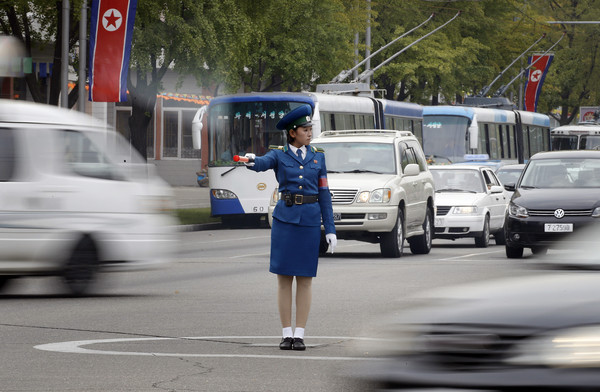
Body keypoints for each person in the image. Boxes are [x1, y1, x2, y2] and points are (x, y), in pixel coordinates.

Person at [242, 104, 337, 351]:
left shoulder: (319, 156)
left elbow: (325, 193)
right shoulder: (279, 155)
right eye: (305, 129)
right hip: (285, 222)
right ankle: (286, 334)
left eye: (310, 129)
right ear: (293, 132)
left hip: (308, 222)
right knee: (284, 279)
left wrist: (330, 229)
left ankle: (300, 334)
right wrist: (252, 161)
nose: (309, 133)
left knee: (305, 279)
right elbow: (262, 163)